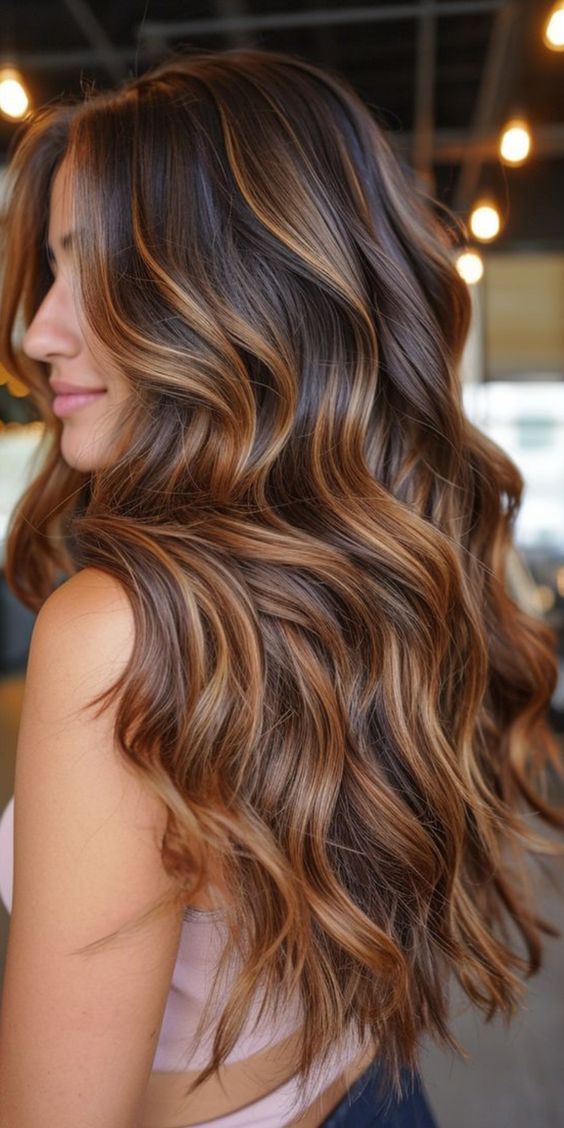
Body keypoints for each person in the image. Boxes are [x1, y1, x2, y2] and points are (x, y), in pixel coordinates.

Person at [0, 45, 562, 1128]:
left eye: (93, 272)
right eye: (50, 270)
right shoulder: (355, 575)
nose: (37, 331)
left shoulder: (114, 634)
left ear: (234, 293)